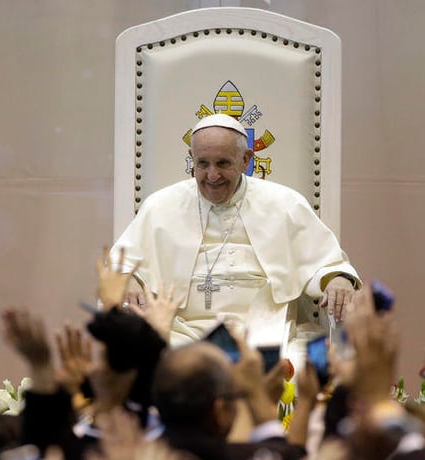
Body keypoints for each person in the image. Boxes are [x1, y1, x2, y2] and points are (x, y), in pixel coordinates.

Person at [112, 113, 362, 358]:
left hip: (268, 330)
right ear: (192, 159)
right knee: (158, 362)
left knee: (299, 367)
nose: (212, 175)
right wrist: (128, 278)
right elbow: (122, 261)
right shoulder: (161, 206)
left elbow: (325, 263)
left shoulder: (285, 203)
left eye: (223, 163)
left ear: (246, 160)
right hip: (182, 329)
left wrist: (338, 280)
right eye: (202, 163)